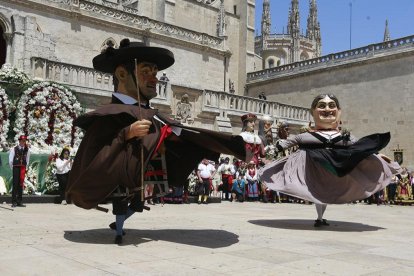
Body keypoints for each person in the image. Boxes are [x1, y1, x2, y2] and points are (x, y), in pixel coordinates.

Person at [66, 38, 247, 245]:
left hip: (141, 176)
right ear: (123, 74)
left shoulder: (152, 114)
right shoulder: (108, 116)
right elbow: (95, 152)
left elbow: (179, 134)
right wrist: (126, 133)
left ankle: (120, 223)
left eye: (155, 72)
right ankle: (119, 228)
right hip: (119, 177)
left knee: (137, 199)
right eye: (146, 71)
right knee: (123, 200)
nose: (154, 78)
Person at [260, 94, 401, 227]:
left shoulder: (345, 136)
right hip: (313, 167)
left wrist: (378, 155)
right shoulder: (306, 136)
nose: (327, 109)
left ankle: (320, 217)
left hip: (335, 167)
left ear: (339, 111)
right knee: (317, 193)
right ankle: (320, 217)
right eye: (322, 105)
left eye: (331, 105)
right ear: (313, 111)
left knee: (324, 194)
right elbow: (286, 143)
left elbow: (360, 147)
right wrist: (271, 149)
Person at [8, 135, 30, 207]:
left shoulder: (27, 149)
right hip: (16, 167)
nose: (23, 142)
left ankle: (19, 201)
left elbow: (27, 159)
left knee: (21, 184)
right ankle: (14, 201)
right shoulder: (14, 149)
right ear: (19, 141)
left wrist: (25, 167)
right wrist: (13, 168)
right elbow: (11, 160)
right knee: (15, 184)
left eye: (24, 141)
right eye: (22, 141)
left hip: (23, 168)